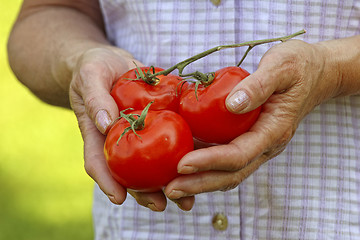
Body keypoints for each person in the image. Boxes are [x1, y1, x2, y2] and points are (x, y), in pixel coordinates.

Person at [7, 0, 360, 239]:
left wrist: (334, 71)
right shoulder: (169, 98)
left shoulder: (175, 99)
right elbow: (50, 12)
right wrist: (78, 59)